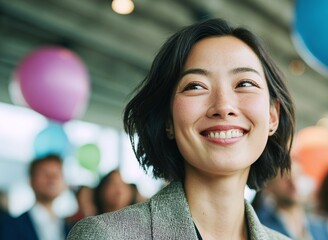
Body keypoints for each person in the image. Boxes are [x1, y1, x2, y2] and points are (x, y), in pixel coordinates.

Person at [68, 18, 295, 240]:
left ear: (272, 115)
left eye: (245, 84)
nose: (224, 106)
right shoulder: (105, 236)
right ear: (168, 120)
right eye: (196, 86)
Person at [253, 168, 328, 240]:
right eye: (285, 178)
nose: (293, 184)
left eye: (297, 177)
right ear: (269, 187)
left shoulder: (321, 227)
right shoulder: (262, 227)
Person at [11, 154, 72, 240]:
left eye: (57, 173)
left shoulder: (70, 227)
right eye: (45, 173)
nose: (52, 179)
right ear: (31, 181)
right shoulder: (12, 226)